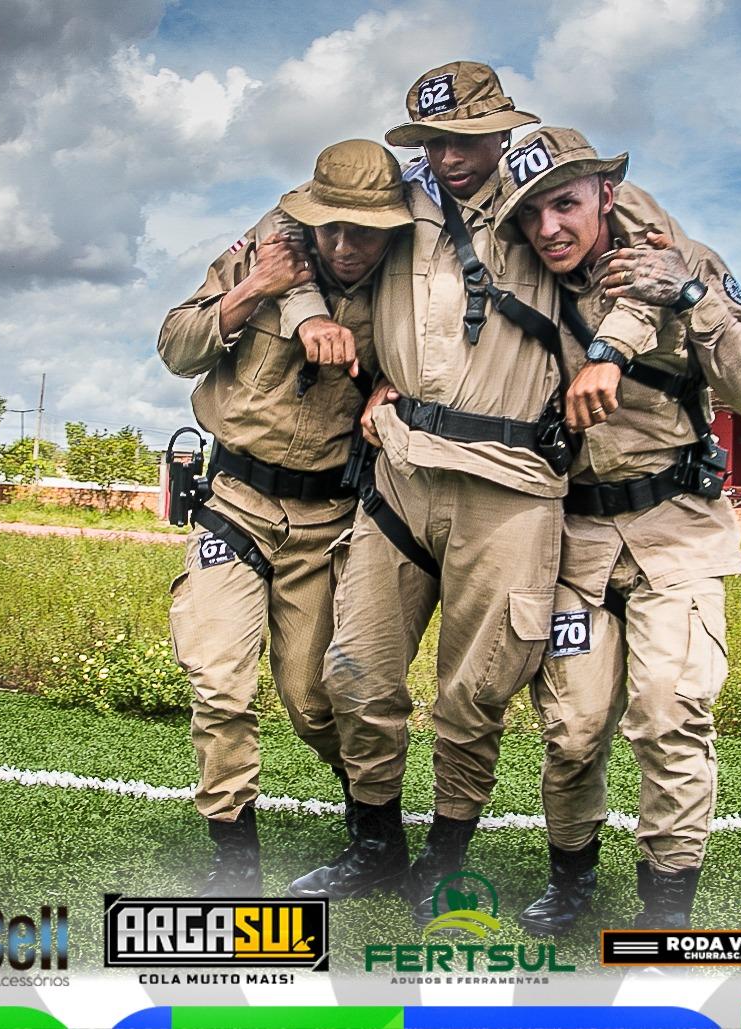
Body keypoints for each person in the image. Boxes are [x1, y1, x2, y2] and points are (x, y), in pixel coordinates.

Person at [289, 61, 583, 922]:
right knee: (355, 670)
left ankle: (445, 855)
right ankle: (374, 843)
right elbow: (291, 230)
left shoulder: (542, 199)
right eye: (432, 141)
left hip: (511, 485)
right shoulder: (398, 200)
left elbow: (622, 218)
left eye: (465, 139)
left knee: (475, 690)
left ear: (503, 129)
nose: (449, 157)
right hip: (402, 469)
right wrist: (310, 312)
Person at [492, 127, 741, 933]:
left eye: (565, 203)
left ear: (605, 195)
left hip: (675, 530)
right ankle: (571, 880)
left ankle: (665, 908)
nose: (549, 226)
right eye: (531, 214)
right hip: (576, 541)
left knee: (667, 712)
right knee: (572, 728)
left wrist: (689, 293)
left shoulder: (683, 261)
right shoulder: (525, 285)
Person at [157, 139, 413, 895]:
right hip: (234, 503)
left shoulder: (407, 291)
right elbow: (176, 346)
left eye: (365, 231)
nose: (346, 245)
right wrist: (253, 290)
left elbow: (440, 369)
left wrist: (393, 391)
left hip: (328, 516)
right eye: (332, 228)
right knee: (220, 681)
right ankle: (235, 857)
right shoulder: (266, 256)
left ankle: (374, 828)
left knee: (315, 700)